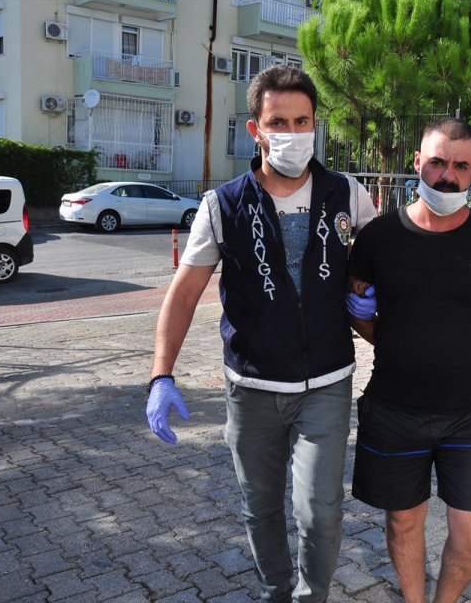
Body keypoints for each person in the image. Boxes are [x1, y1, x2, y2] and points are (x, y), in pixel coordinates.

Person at [144, 65, 378, 603]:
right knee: (260, 508)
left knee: (320, 511)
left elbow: (387, 265)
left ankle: (311, 596)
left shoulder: (348, 195)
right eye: (278, 122)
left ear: (315, 124)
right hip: (251, 388)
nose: (292, 133)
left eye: (302, 122)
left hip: (327, 382)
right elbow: (184, 293)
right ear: (255, 129)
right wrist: (161, 375)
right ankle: (276, 591)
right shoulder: (222, 205)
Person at [345, 117, 471, 603]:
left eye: (460, 166)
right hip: (394, 409)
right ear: (417, 163)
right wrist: (391, 341)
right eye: (437, 162)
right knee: (403, 522)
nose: (447, 176)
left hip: (470, 414)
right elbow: (357, 308)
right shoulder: (379, 237)